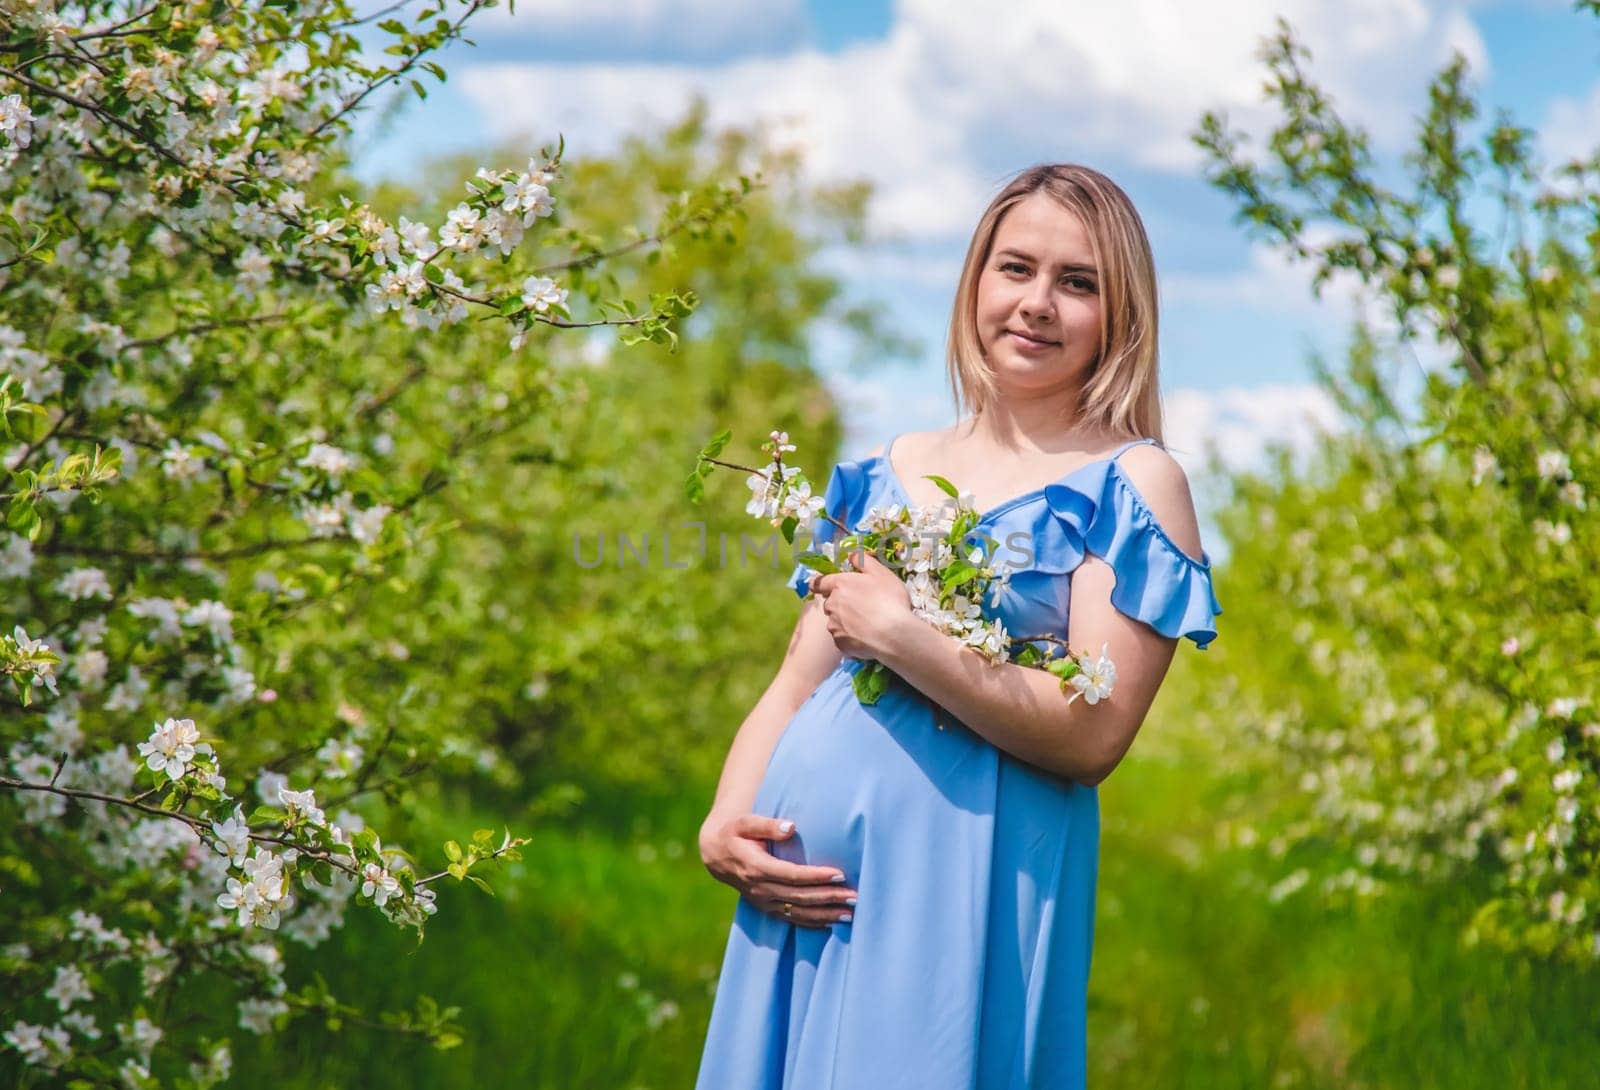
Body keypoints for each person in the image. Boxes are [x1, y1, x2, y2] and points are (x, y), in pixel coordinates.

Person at [693, 162, 1222, 1089]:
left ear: (1122, 313)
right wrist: (725, 822)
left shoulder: (1134, 485)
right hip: (799, 898)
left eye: (1079, 283)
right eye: (1015, 268)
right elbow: (795, 682)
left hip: (963, 885)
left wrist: (904, 637)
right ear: (976, 279)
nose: (1038, 304)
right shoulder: (883, 471)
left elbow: (1091, 735)